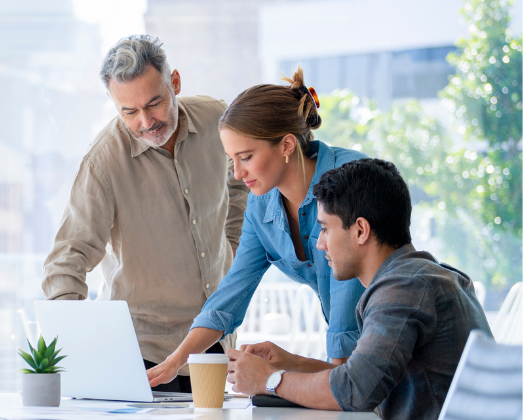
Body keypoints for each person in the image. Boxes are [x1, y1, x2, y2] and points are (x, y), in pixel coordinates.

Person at [41, 35, 249, 393]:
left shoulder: (218, 118)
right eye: (129, 111)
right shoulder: (103, 162)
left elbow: (240, 183)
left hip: (213, 341)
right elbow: (66, 260)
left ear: (176, 83)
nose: (146, 122)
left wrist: (230, 246)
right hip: (143, 354)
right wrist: (80, 348)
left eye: (154, 103)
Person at [147, 67, 369, 387]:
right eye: (231, 160)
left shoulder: (349, 179)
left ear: (287, 145)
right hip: (356, 362)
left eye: (247, 157)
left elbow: (347, 315)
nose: (237, 174)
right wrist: (174, 362)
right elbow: (230, 296)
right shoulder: (261, 204)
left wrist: (305, 384)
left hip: (393, 343)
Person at [225, 158, 492, 420]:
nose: (320, 245)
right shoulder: (422, 276)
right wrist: (290, 364)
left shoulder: (404, 288)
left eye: (326, 229)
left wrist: (269, 380)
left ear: (361, 230)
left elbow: (356, 390)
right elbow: (366, 378)